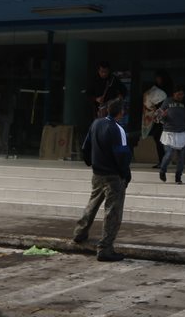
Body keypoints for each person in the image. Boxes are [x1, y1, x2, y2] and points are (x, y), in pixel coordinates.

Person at [72, 98, 131, 262]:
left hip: (97, 173)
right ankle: (105, 248)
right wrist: (125, 174)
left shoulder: (96, 124)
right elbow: (122, 155)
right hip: (113, 176)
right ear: (121, 112)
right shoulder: (118, 129)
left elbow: (86, 147)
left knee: (92, 204)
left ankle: (79, 232)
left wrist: (91, 163)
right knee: (112, 212)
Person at [157, 84, 185, 184]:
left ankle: (178, 177)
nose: (180, 96)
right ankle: (162, 170)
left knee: (181, 158)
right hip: (169, 132)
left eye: (182, 94)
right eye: (178, 94)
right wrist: (163, 116)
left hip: (182, 133)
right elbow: (158, 117)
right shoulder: (167, 101)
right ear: (174, 94)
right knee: (169, 154)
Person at [140, 71, 169, 167]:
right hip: (157, 119)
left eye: (159, 78)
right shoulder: (155, 90)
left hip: (164, 120)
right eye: (157, 78)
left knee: (162, 139)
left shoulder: (164, 91)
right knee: (158, 138)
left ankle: (164, 161)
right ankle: (162, 161)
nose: (158, 80)